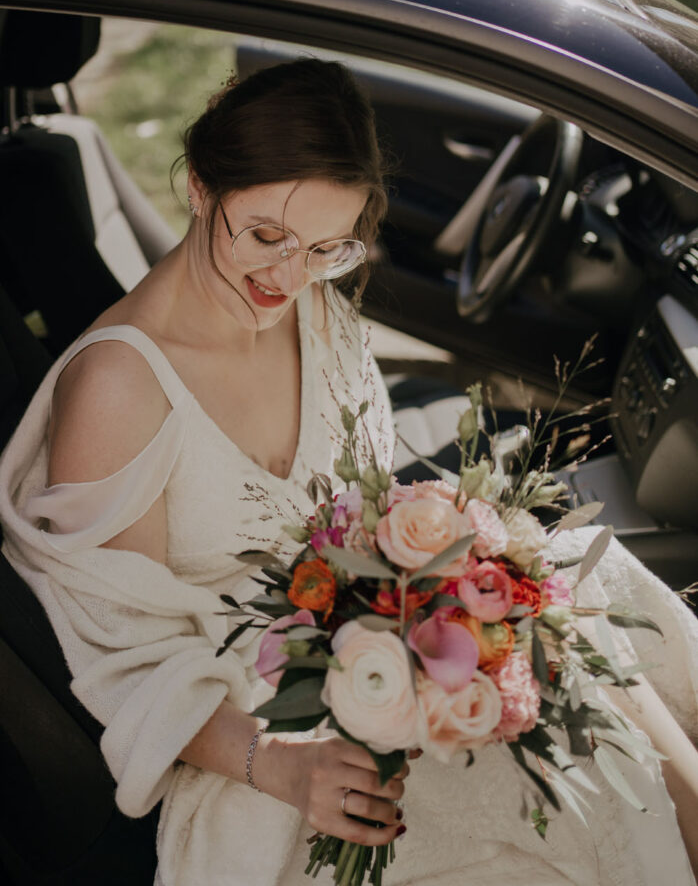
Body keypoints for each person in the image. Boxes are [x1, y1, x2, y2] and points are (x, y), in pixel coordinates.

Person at [0, 58, 696, 886]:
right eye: (266, 236)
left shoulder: (317, 310)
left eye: (328, 247)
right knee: (585, 786)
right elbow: (130, 663)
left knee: (578, 614)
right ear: (197, 188)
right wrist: (286, 764)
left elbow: (364, 500)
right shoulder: (119, 391)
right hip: (268, 747)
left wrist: (449, 576)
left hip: (365, 638)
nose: (287, 279)